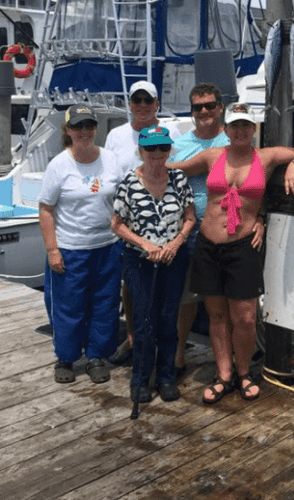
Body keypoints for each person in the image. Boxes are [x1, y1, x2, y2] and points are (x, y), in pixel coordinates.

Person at [168, 102, 294, 404]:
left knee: (246, 317)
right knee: (218, 315)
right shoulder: (212, 156)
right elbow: (176, 169)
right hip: (209, 244)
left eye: (245, 126)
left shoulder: (266, 157)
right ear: (226, 129)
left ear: (253, 129)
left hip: (243, 246)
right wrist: (148, 165)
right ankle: (224, 375)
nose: (239, 131)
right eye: (234, 125)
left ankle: (245, 372)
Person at [38, 104, 124, 384]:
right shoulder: (59, 165)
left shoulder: (111, 159)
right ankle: (66, 357)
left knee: (105, 303)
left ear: (96, 128)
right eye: (78, 126)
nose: (84, 131)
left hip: (107, 246)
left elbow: (122, 201)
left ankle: (96, 356)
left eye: (88, 125)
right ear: (68, 130)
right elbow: (46, 210)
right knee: (68, 306)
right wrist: (53, 249)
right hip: (71, 248)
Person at [112, 126, 195, 403]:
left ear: (169, 149)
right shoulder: (129, 182)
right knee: (144, 321)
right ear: (141, 151)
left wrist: (174, 244)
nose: (157, 154)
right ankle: (140, 380)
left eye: (163, 148)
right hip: (140, 260)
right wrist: (146, 245)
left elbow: (190, 218)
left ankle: (166, 377)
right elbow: (117, 225)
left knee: (168, 320)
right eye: (151, 148)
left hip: (173, 258)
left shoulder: (179, 179)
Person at [105, 80, 182, 365]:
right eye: (136, 101)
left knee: (164, 289)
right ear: (129, 104)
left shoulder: (171, 131)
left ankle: (164, 347)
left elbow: (177, 171)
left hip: (164, 223)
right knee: (130, 283)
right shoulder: (116, 134)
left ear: (156, 104)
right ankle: (133, 338)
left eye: (147, 101)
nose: (141, 106)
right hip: (127, 222)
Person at [169, 82, 230, 375]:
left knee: (225, 302)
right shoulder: (179, 145)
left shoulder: (235, 140)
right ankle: (179, 354)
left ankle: (227, 363)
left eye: (209, 105)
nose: (204, 111)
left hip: (228, 230)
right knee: (187, 299)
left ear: (220, 107)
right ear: (191, 111)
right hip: (190, 232)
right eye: (197, 107)